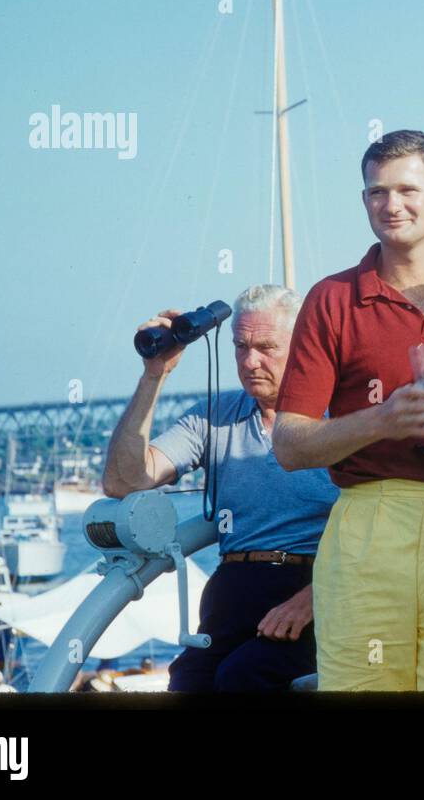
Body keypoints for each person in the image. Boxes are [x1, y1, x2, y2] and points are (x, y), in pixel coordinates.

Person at [271, 129, 424, 692]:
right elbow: (289, 445)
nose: (391, 205)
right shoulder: (332, 299)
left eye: (407, 189)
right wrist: (382, 420)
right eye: (377, 192)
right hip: (368, 526)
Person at [102, 284, 339, 692]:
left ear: (303, 345)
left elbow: (372, 525)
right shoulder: (215, 416)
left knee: (245, 677)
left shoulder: (340, 418)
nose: (250, 361)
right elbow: (123, 480)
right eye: (240, 347)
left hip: (313, 590)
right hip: (234, 591)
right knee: (187, 682)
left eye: (266, 347)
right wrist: (153, 374)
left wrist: (315, 597)